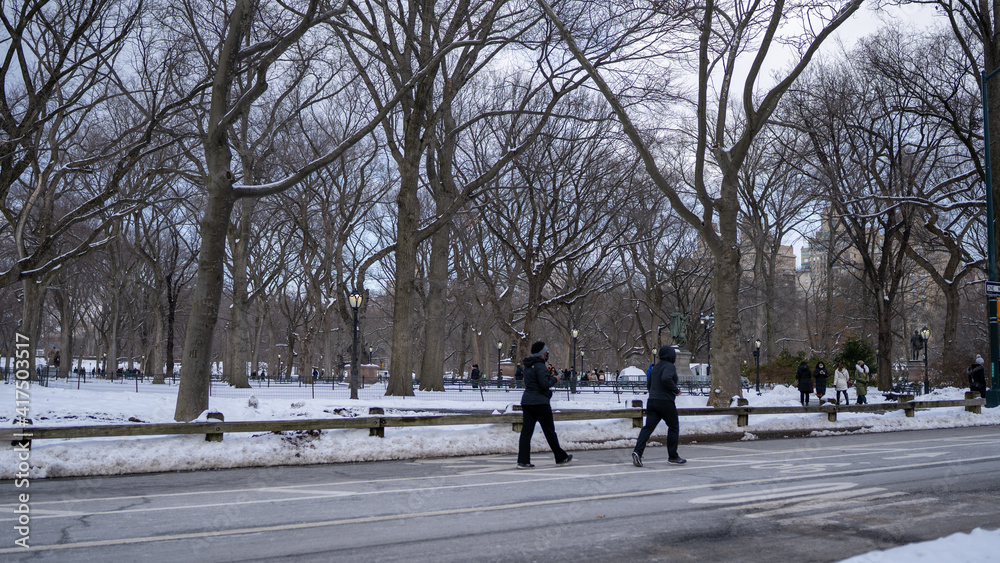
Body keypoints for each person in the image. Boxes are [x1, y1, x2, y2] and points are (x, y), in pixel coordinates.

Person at [516, 342, 572, 469]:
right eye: (546, 352)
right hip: (540, 403)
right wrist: (555, 379)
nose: (548, 354)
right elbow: (544, 384)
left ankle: (523, 460)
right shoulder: (540, 366)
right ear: (542, 354)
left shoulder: (528, 366)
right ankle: (560, 457)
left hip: (527, 401)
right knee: (549, 431)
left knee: (526, 432)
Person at [632, 345, 685, 467]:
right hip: (665, 402)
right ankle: (673, 456)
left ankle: (637, 452)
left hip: (652, 401)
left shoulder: (655, 368)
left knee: (648, 428)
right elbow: (666, 378)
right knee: (673, 427)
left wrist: (655, 394)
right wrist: (676, 390)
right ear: (671, 355)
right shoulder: (670, 366)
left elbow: (649, 385)